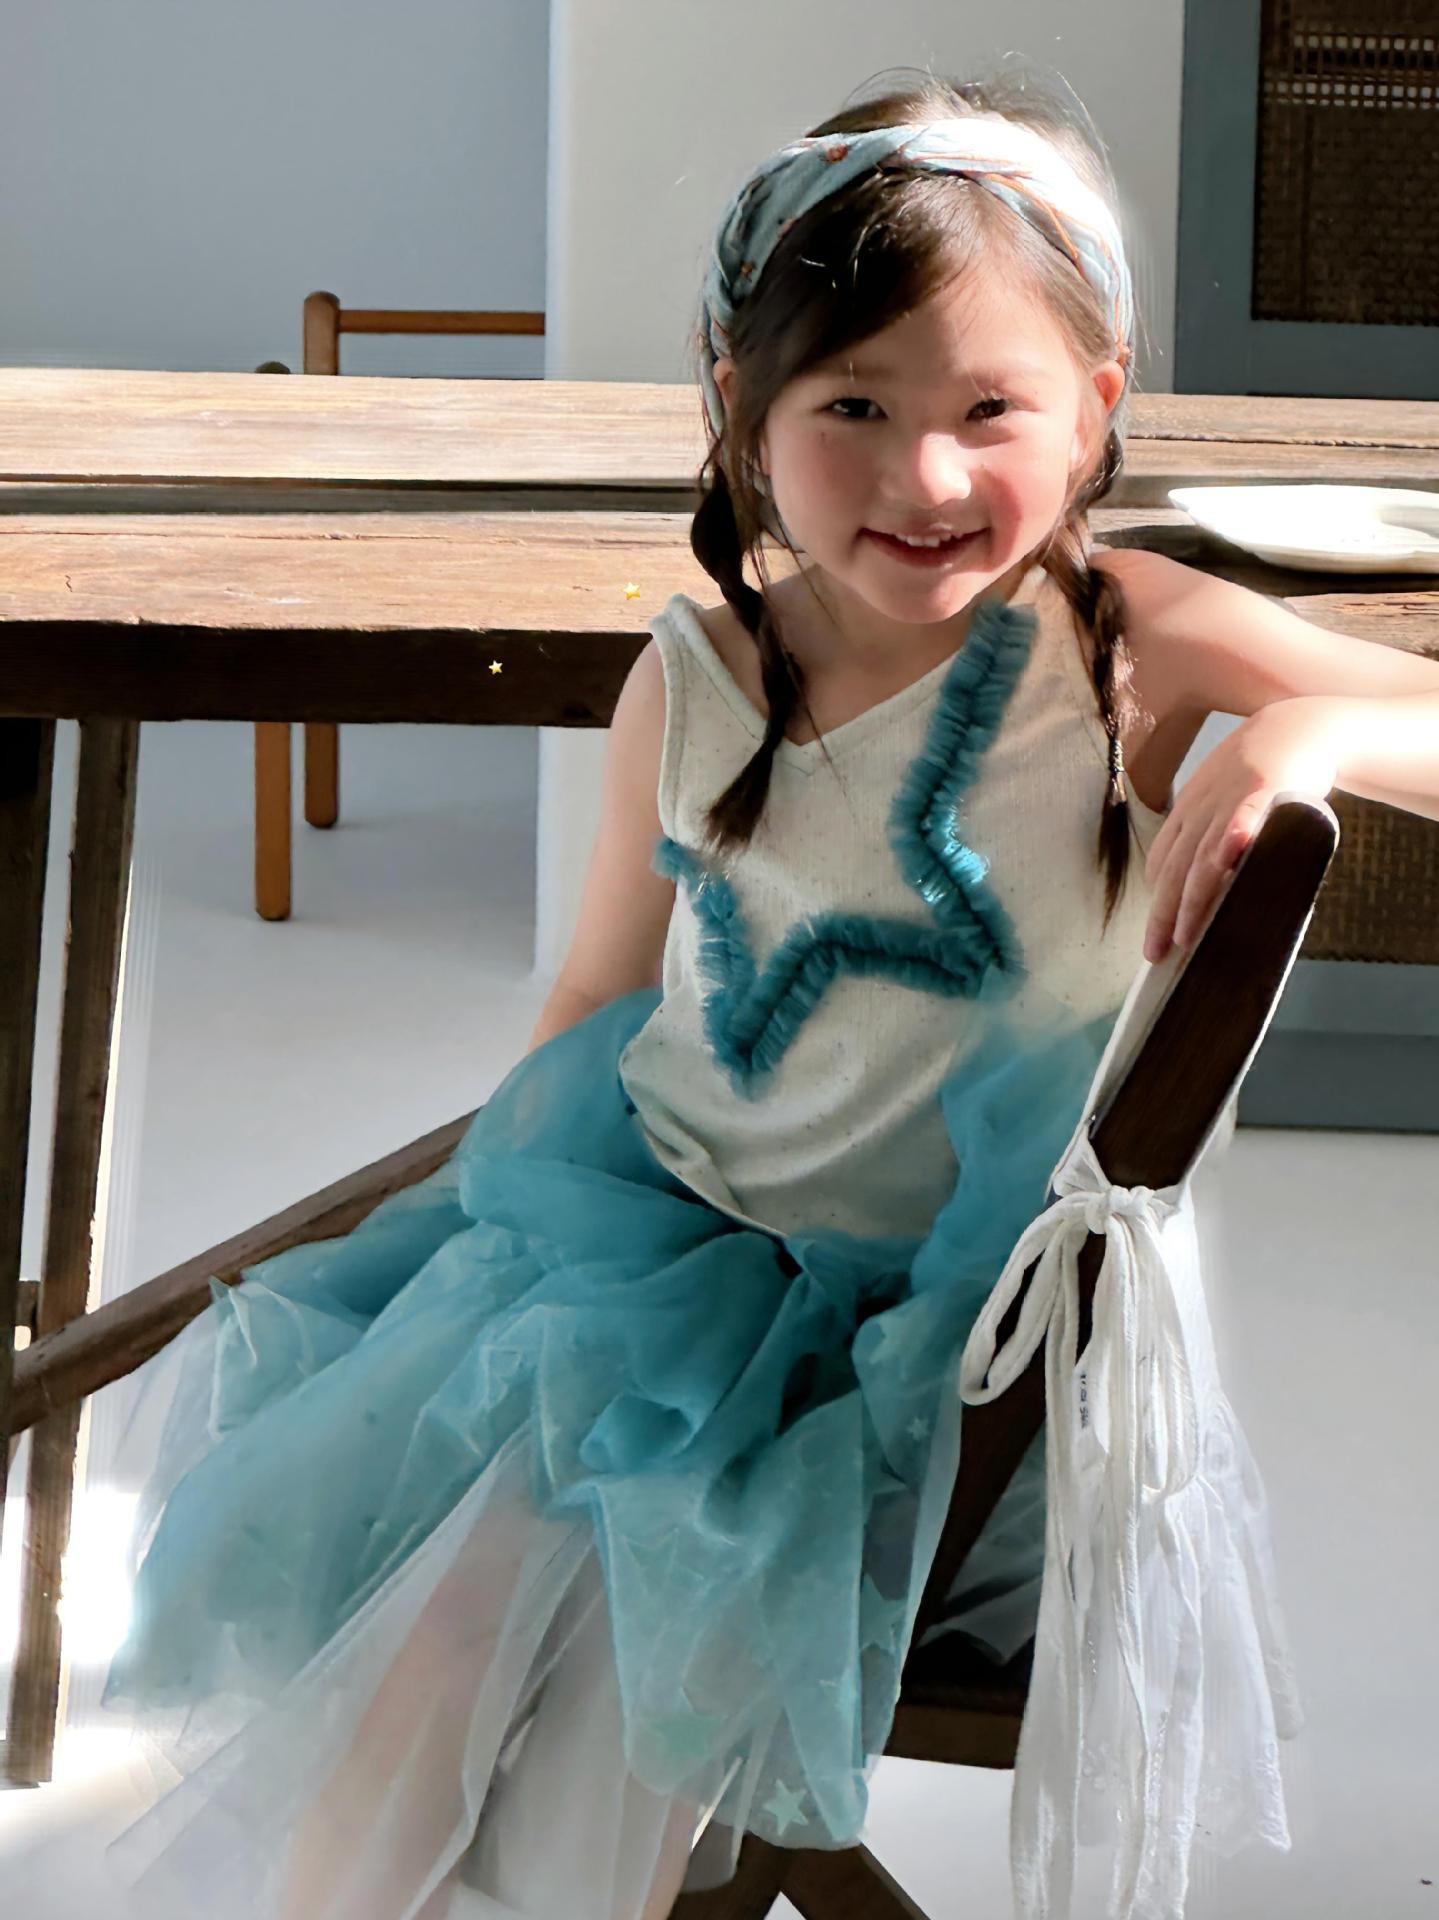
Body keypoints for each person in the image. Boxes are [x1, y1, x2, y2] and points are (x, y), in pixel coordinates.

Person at [6, 63, 1439, 1920]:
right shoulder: (694, 679)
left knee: (638, 1682)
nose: (928, 477)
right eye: (855, 406)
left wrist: (1310, 728)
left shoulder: (1123, 645)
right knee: (444, 1632)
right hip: (648, 1282)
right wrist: (479, 1277)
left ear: (1093, 407)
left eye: (988, 409)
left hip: (921, 1373)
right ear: (739, 408)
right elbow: (591, 1010)